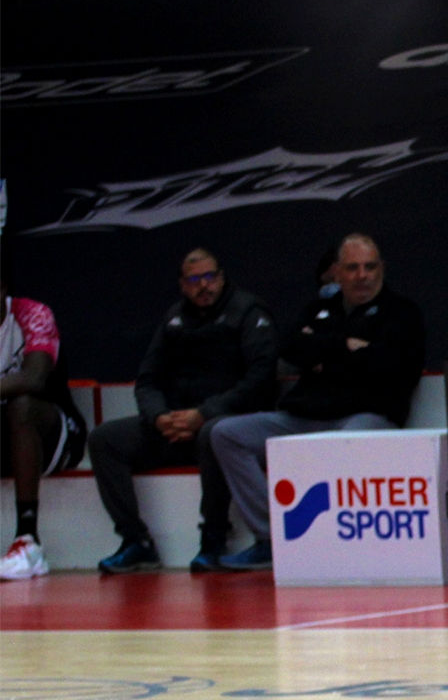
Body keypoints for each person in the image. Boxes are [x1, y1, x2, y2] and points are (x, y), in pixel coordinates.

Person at [209, 234, 425, 571]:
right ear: (337, 273)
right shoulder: (321, 309)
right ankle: (273, 538)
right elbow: (291, 348)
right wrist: (346, 345)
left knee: (340, 443)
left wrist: (325, 353)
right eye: (352, 268)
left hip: (365, 416)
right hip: (305, 416)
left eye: (369, 267)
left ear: (381, 269)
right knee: (225, 433)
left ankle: (327, 544)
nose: (362, 275)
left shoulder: (402, 313)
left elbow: (386, 367)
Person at [90, 248, 276, 574]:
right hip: (173, 427)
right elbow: (147, 380)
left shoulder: (248, 311)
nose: (203, 286)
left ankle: (214, 539)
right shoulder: (174, 318)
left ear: (221, 277)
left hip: (220, 424)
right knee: (104, 439)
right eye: (194, 280)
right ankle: (136, 542)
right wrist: (159, 417)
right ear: (182, 284)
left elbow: (259, 379)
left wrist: (203, 414)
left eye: (209, 277)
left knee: (215, 433)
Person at [1, 249, 88, 581]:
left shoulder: (31, 313)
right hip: (5, 441)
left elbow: (34, 379)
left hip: (54, 434)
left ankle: (28, 541)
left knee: (21, 404)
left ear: (2, 289)